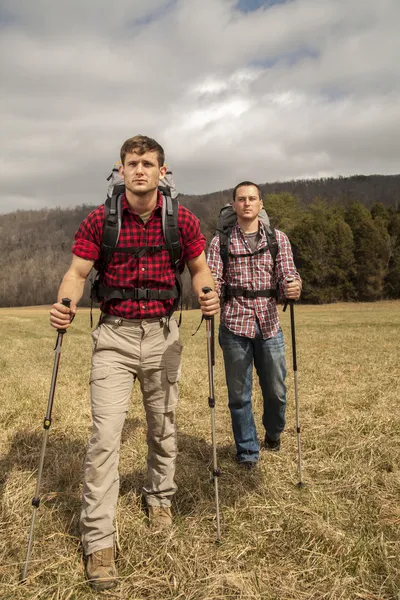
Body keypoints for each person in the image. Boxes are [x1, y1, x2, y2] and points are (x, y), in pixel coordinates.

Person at [50, 135, 219, 591]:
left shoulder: (180, 219)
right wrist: (65, 302)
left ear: (163, 171)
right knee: (105, 439)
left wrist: (207, 291)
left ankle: (159, 499)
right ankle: (99, 541)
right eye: (132, 163)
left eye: (148, 163)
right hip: (114, 338)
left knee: (163, 426)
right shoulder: (100, 220)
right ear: (120, 170)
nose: (140, 170)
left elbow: (199, 268)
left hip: (164, 335)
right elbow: (77, 273)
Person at [207, 181, 301, 469]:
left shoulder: (278, 239)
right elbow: (212, 279)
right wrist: (208, 294)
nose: (247, 203)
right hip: (234, 326)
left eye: (252, 199)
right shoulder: (220, 242)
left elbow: (288, 273)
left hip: (270, 325)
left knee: (276, 391)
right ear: (233, 205)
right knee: (239, 395)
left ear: (261, 204)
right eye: (241, 199)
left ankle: (273, 433)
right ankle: (247, 452)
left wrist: (294, 286)